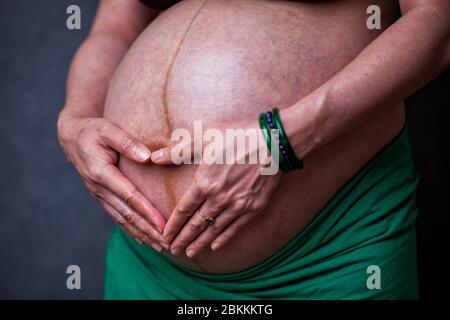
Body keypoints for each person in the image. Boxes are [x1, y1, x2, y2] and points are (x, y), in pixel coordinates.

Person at [57, 0, 450, 299]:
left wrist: (279, 141)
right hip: (148, 262)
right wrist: (75, 117)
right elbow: (113, 29)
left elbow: (436, 24)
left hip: (326, 252)